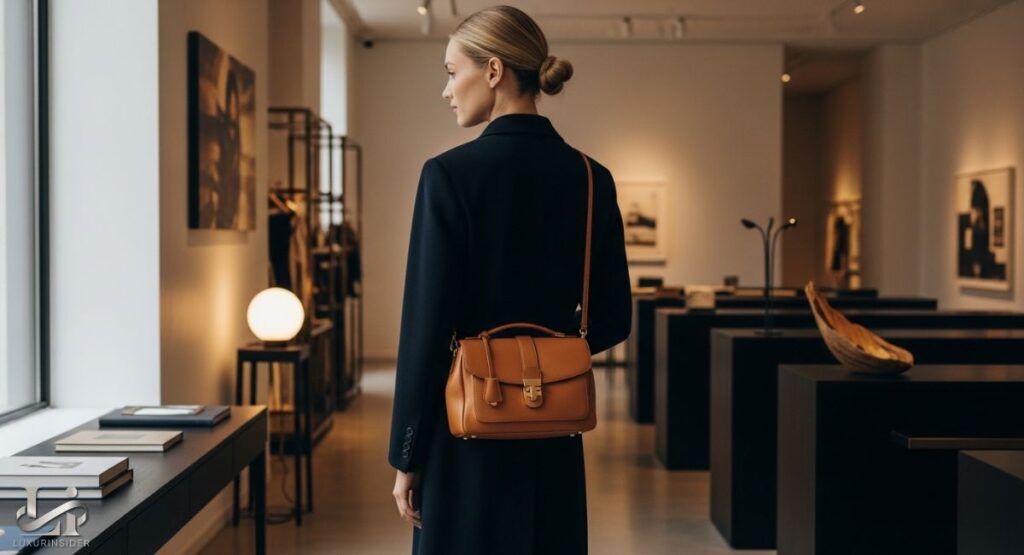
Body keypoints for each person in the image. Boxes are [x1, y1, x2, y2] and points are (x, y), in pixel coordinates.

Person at [387, 5, 632, 554]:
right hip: (555, 434)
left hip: (465, 430)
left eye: (453, 71)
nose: (446, 89)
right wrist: (545, 363)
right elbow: (614, 319)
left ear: (494, 71)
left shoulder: (448, 175)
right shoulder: (593, 178)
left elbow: (424, 331)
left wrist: (407, 456)